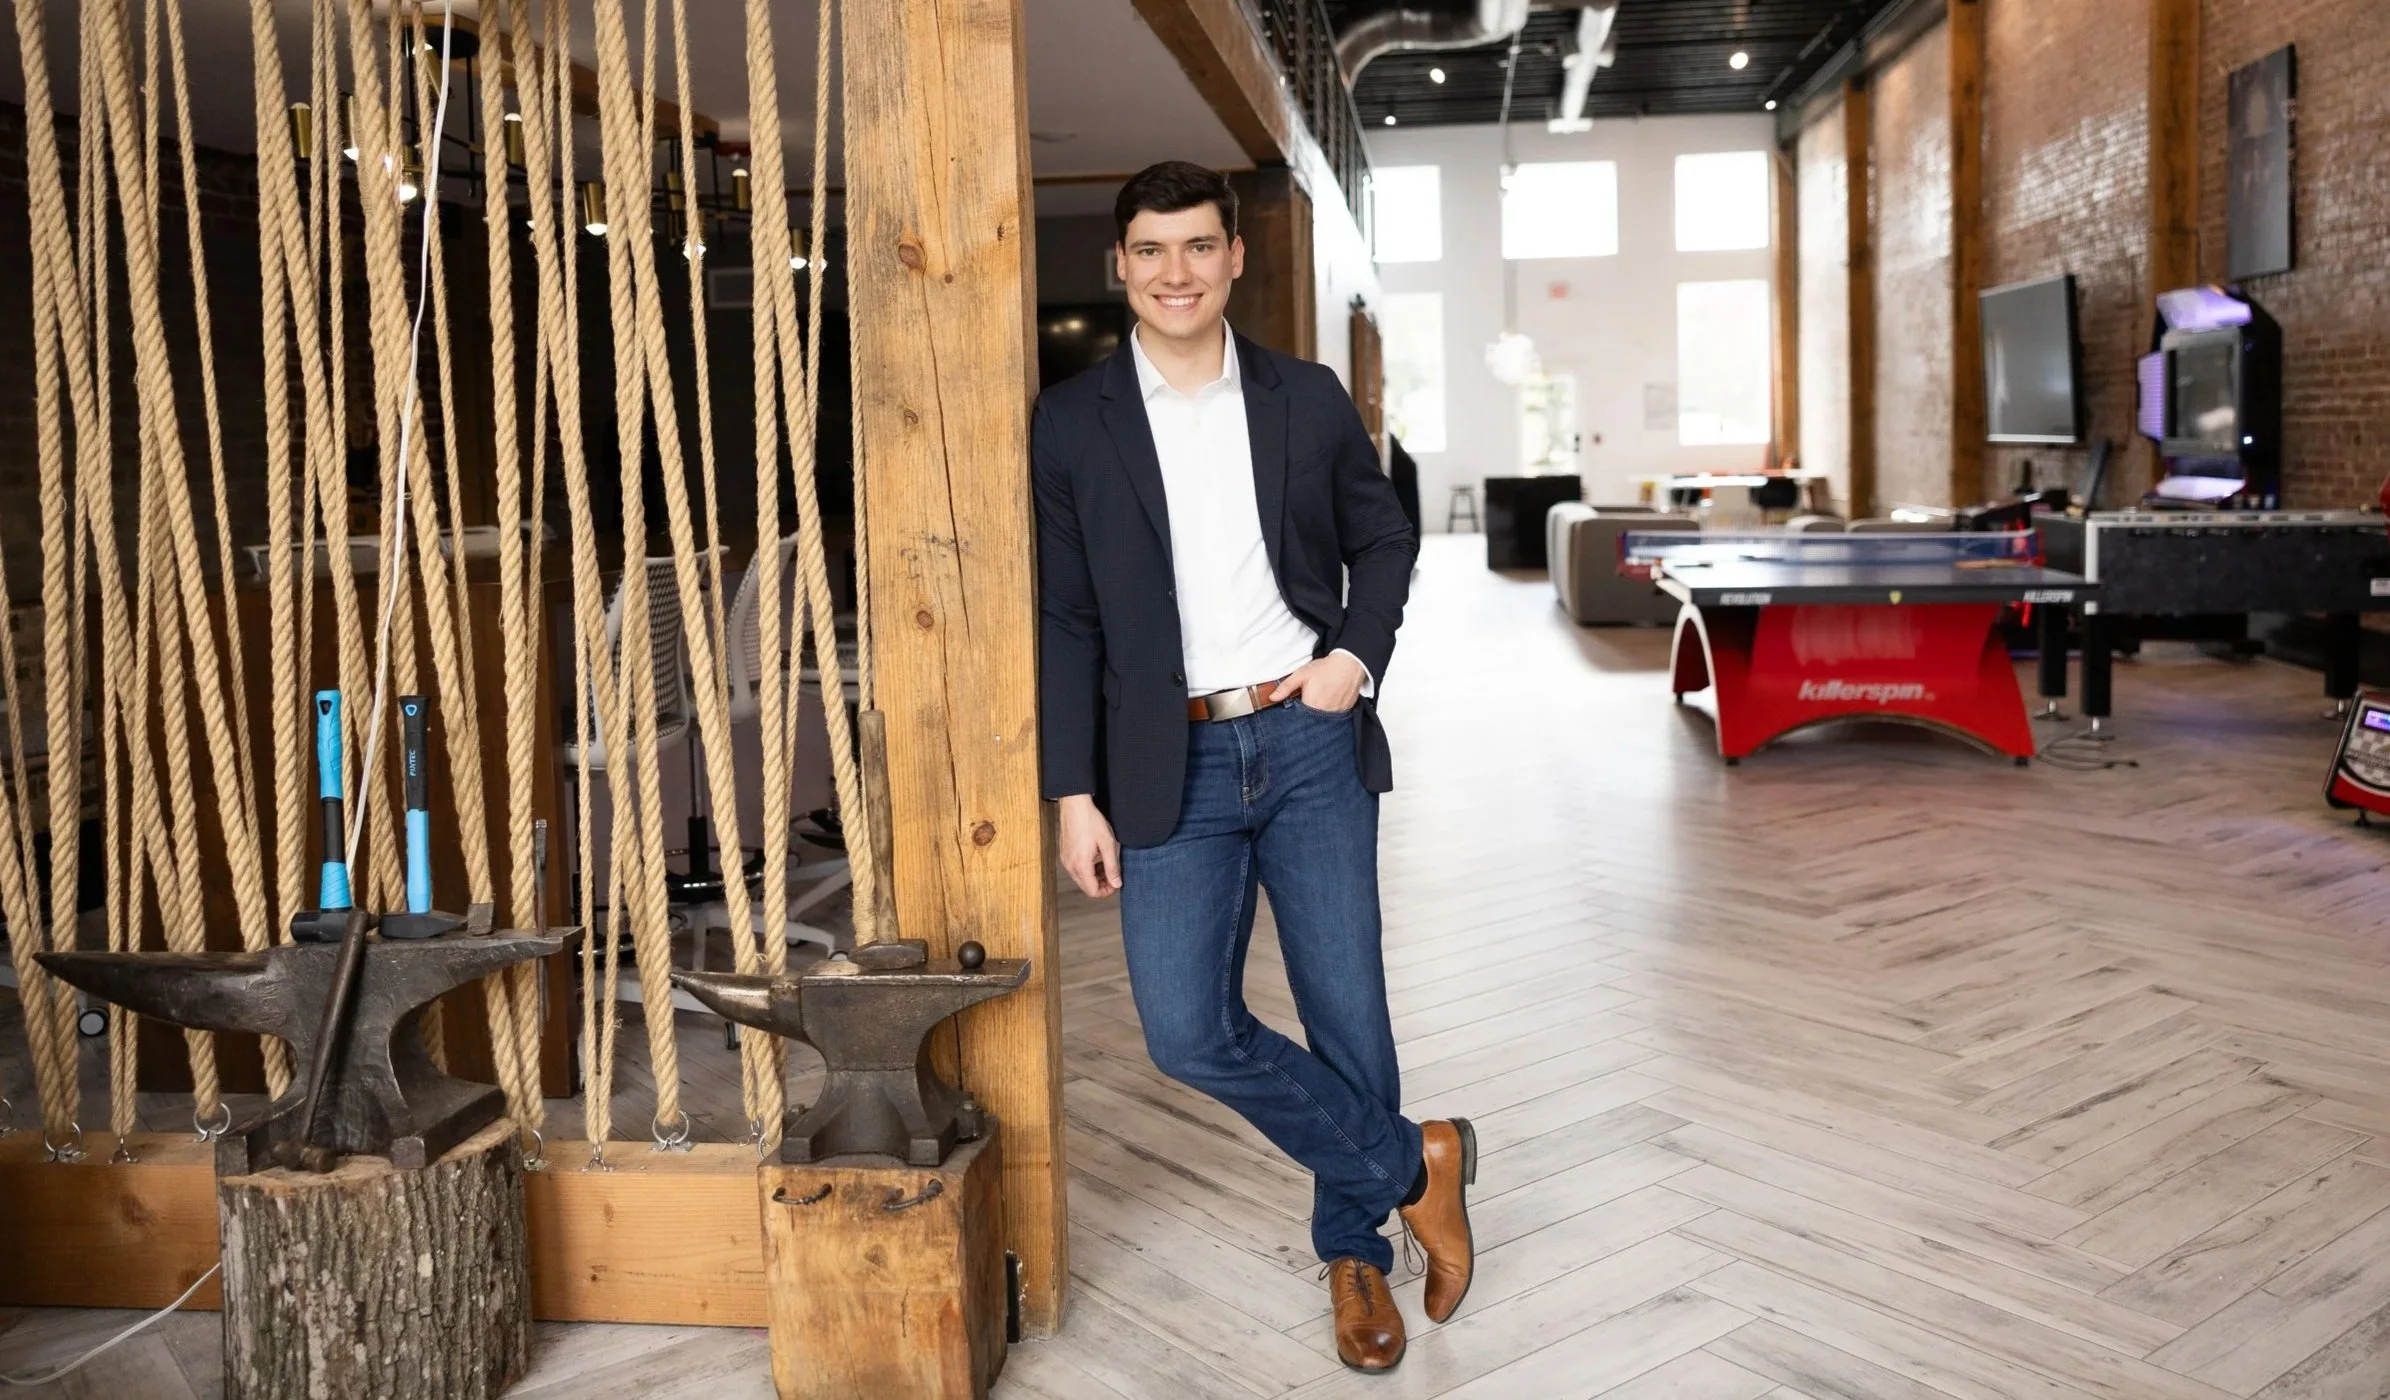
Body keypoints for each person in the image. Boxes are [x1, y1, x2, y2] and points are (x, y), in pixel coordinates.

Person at [1031, 160, 1474, 1373]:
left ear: (1232, 259)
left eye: (1198, 246)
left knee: (1345, 1008)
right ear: (1119, 265)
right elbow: (1064, 616)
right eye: (1150, 249)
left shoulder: (1305, 397)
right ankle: (1411, 1162)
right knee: (1184, 1029)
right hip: (1160, 758)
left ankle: (1354, 1251)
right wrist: (1071, 790)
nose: (1174, 271)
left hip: (1305, 737)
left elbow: (1384, 536)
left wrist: (1351, 660)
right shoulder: (1069, 420)